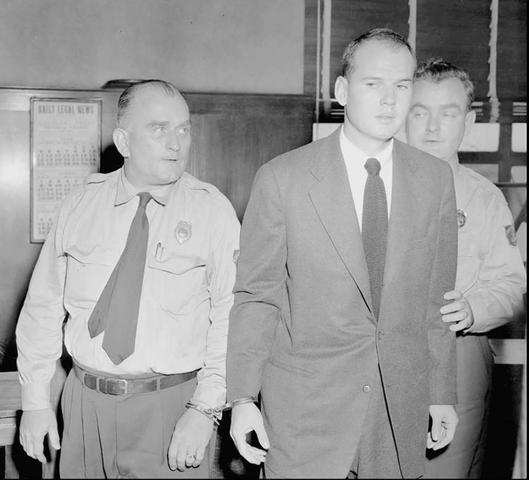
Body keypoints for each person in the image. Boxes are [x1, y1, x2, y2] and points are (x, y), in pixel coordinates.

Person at [226, 28, 459, 479]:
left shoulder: (435, 180)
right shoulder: (283, 178)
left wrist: (441, 392)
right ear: (342, 90)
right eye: (373, 84)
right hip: (305, 417)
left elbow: (438, 300)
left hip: (397, 414)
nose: (389, 100)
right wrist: (242, 398)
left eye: (402, 85)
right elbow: (257, 297)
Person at [16, 80, 240, 478]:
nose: (176, 143)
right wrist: (35, 402)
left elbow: (232, 317)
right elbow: (43, 308)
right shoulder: (81, 204)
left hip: (170, 407)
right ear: (123, 141)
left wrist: (204, 410)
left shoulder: (213, 212)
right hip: (85, 403)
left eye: (183, 129)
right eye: (159, 129)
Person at [406, 58, 526, 479]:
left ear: (469, 123)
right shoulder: (372, 188)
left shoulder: (485, 199)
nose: (432, 127)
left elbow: (511, 287)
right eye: (420, 112)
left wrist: (474, 308)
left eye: (448, 113)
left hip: (459, 354)